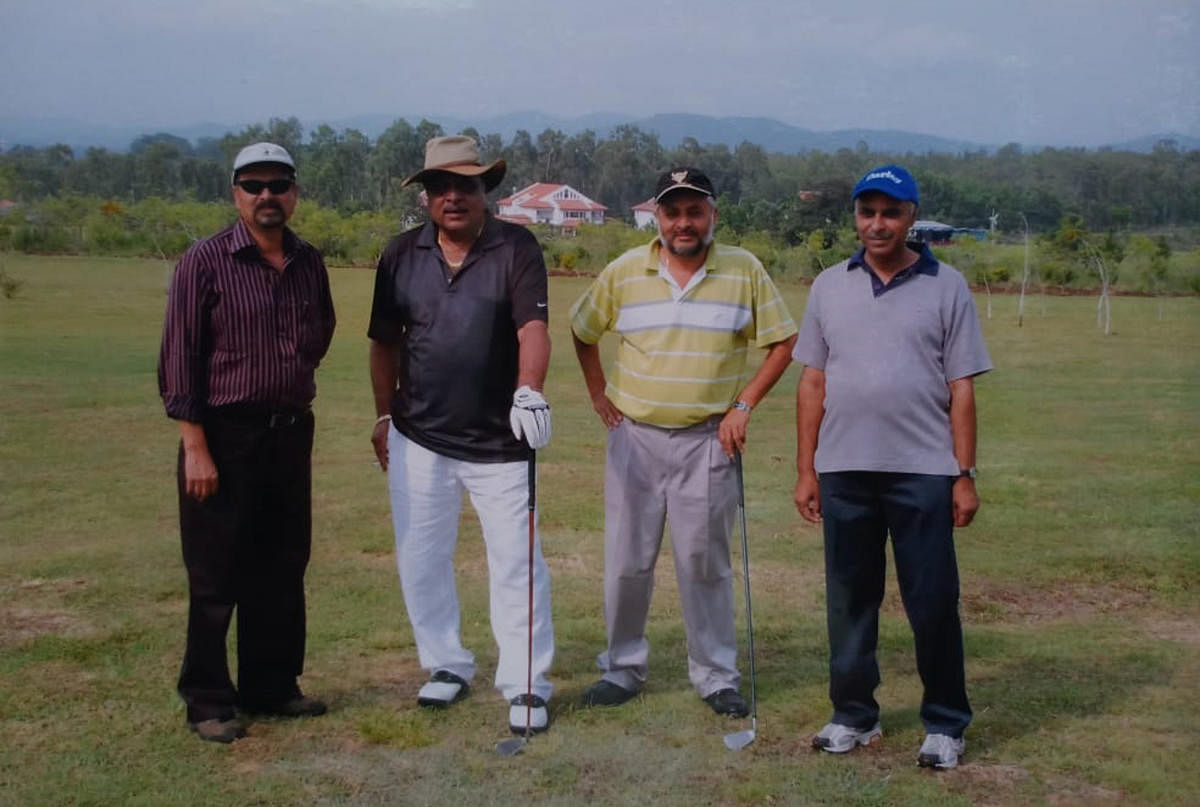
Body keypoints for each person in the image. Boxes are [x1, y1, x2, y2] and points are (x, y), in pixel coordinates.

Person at [570, 167, 797, 717]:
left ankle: (716, 676)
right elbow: (582, 330)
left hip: (708, 440)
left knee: (704, 562)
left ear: (713, 215)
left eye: (695, 210)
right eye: (672, 211)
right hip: (635, 438)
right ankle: (622, 669)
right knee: (626, 561)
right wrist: (600, 393)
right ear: (657, 217)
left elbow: (784, 341)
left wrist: (743, 405)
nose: (684, 222)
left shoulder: (744, 270)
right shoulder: (626, 270)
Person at [793, 164, 992, 769]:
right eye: (867, 211)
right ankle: (854, 716)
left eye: (891, 212)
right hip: (845, 470)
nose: (877, 224)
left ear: (911, 217)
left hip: (923, 471)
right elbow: (812, 382)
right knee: (850, 600)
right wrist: (807, 470)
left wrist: (964, 473)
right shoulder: (828, 285)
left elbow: (961, 387)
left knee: (932, 599)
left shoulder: (946, 285)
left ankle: (946, 723)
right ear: (856, 216)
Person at [367, 135, 555, 736]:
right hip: (418, 435)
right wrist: (381, 416)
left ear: (484, 192)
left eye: (466, 185)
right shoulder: (400, 253)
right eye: (440, 186)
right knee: (421, 558)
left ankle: (526, 681)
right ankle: (445, 663)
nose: (453, 196)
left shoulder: (516, 247)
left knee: (517, 563)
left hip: (501, 443)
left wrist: (529, 388)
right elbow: (384, 341)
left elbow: (533, 327)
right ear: (426, 197)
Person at [158, 142, 336, 743]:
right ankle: (208, 699)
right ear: (235, 193)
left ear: (294, 192)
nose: (267, 196)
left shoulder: (309, 262)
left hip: (288, 434)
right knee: (215, 572)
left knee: (283, 565)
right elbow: (180, 358)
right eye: (253, 185)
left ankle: (272, 685)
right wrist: (195, 446)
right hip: (223, 437)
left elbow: (321, 334)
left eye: (278, 184)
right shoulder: (204, 263)